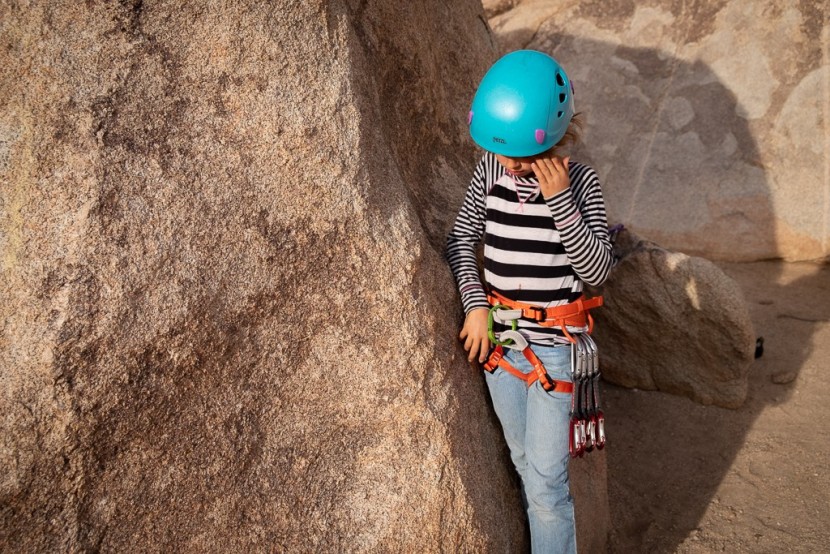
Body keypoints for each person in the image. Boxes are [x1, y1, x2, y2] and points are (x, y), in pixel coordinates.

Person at [446, 50, 613, 553]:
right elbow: (460, 240)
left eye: (523, 155)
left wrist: (560, 201)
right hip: (500, 346)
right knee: (523, 465)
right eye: (506, 154)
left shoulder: (582, 186)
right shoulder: (490, 170)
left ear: (559, 130)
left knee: (546, 486)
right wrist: (475, 305)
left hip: (557, 351)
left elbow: (597, 272)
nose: (514, 167)